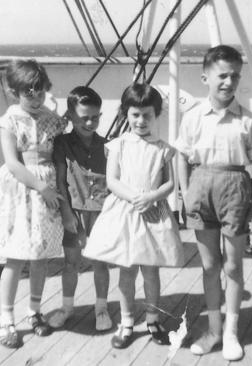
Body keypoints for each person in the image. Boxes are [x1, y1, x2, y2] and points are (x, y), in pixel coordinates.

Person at [175, 45, 252, 360]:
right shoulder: (193, 118)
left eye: (235, 75)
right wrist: (185, 193)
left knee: (233, 265)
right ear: (205, 77)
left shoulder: (249, 120)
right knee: (210, 265)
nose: (229, 81)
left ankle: (230, 333)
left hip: (235, 192)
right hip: (201, 189)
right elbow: (182, 157)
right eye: (222, 75)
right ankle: (213, 329)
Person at [0, 59, 68, 349]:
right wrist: (42, 187)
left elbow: (59, 154)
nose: (36, 98)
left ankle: (34, 311)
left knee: (40, 257)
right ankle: (6, 318)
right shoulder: (10, 120)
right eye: (29, 93)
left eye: (40, 92)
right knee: (16, 257)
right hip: (23, 192)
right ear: (15, 92)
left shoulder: (51, 119)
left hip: (47, 194)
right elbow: (13, 164)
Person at [84, 83, 185, 349]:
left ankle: (153, 319)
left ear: (156, 115)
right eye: (135, 115)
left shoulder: (163, 149)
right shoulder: (118, 145)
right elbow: (112, 180)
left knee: (151, 271)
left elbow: (169, 184)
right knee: (126, 272)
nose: (141, 121)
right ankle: (127, 322)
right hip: (125, 214)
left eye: (147, 115)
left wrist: (151, 197)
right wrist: (134, 198)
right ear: (125, 114)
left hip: (153, 214)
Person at [48, 86, 112, 331]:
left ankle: (102, 308)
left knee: (100, 264)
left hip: (101, 214)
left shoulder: (107, 146)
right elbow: (60, 181)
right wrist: (66, 213)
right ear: (71, 116)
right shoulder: (62, 144)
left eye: (95, 116)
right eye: (84, 117)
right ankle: (66, 308)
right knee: (70, 264)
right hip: (73, 213)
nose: (90, 121)